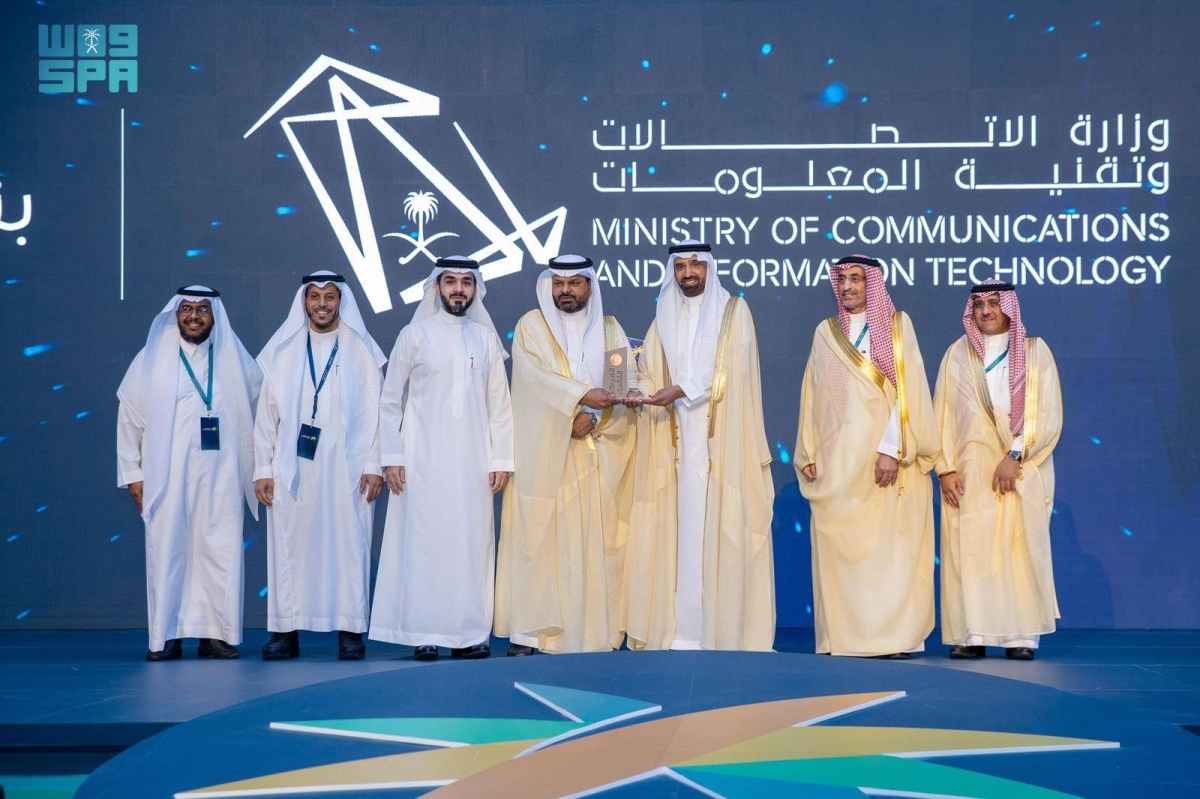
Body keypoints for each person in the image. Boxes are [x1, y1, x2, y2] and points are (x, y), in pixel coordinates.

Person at [623, 241, 775, 651]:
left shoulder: (733, 312)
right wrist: (636, 391)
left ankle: (721, 630)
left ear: (709, 267)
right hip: (674, 442)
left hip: (723, 441)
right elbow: (646, 369)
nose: (688, 273)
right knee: (681, 531)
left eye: (696, 265)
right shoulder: (664, 317)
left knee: (720, 528)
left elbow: (728, 372)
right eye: (681, 266)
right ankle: (682, 630)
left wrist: (680, 389)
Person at [370, 256, 514, 661]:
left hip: (473, 463)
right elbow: (389, 399)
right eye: (450, 281)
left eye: (466, 282)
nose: (458, 289)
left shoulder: (486, 340)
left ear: (475, 289)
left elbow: (500, 406)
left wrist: (501, 459)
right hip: (421, 461)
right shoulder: (414, 335)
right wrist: (392, 456)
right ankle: (425, 633)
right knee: (424, 545)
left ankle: (469, 634)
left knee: (471, 545)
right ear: (437, 287)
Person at [795, 254, 938, 658]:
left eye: (856, 279)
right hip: (838, 464)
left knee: (886, 554)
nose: (848, 287)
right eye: (842, 280)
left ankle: (891, 639)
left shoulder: (896, 326)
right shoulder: (825, 332)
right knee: (841, 553)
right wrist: (808, 449)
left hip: (882, 461)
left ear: (871, 283)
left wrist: (891, 449)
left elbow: (909, 392)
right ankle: (844, 639)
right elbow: (813, 393)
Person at [495, 254, 636, 655]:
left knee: (594, 545)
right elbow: (532, 379)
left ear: (589, 285)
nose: (565, 291)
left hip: (593, 451)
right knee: (539, 540)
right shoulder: (531, 326)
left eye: (574, 283)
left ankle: (591, 634)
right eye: (558, 284)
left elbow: (618, 384)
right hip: (545, 454)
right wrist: (577, 401)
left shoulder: (611, 331)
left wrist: (593, 415)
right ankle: (531, 634)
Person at [117, 286, 262, 661]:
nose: (194, 316)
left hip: (222, 474)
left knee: (219, 549)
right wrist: (132, 473)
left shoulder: (233, 358)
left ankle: (217, 635)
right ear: (175, 313)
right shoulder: (152, 358)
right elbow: (129, 417)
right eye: (186, 309)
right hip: (167, 474)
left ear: (215, 316)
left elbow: (261, 414)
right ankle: (166, 635)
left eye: (202, 309)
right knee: (168, 550)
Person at [253, 272, 386, 660]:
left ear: (341, 301)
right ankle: (285, 631)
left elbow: (380, 412)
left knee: (350, 546)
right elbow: (266, 415)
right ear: (304, 302)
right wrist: (262, 468)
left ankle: (350, 630)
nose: (322, 303)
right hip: (293, 466)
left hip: (349, 467)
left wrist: (374, 464)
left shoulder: (362, 349)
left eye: (330, 296)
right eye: (315, 296)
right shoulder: (283, 351)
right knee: (289, 548)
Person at [935, 280, 1063, 661]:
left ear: (1008, 307)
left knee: (1017, 552)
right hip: (969, 474)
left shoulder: (1035, 352)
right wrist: (944, 469)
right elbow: (941, 416)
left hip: (1018, 471)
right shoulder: (957, 354)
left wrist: (1015, 455)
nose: (986, 310)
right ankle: (971, 635)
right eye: (979, 305)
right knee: (970, 553)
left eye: (993, 303)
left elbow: (1046, 413)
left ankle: (1020, 636)